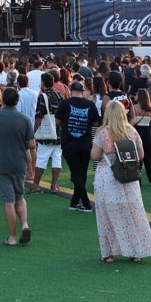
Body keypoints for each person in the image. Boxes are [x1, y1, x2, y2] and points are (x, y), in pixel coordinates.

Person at [91, 100, 151, 263]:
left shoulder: (103, 132)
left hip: (107, 175)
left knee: (106, 215)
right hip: (129, 176)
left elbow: (94, 155)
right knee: (133, 213)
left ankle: (108, 253)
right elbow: (141, 155)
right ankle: (136, 251)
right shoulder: (132, 131)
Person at [0, 86, 36, 246]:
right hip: (19, 162)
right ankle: (25, 224)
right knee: (20, 196)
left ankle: (12, 237)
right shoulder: (25, 119)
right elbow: (32, 144)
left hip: (2, 162)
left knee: (9, 200)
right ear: (17, 101)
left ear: (3, 100)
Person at [56, 79, 99, 212]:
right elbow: (96, 123)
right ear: (82, 91)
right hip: (85, 143)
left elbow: (57, 121)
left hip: (69, 143)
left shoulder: (64, 103)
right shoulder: (90, 105)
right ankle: (75, 202)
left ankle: (84, 202)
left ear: (70, 91)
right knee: (82, 172)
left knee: (76, 173)